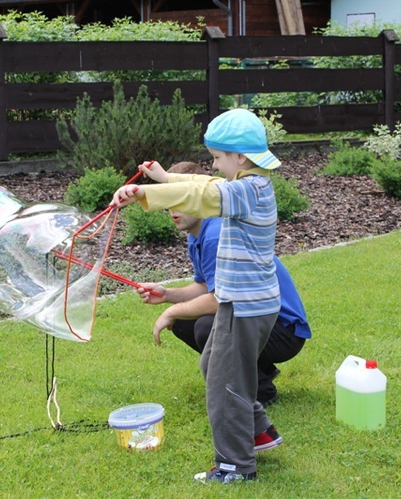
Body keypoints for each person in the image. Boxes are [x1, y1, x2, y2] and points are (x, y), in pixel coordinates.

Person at [111, 108, 287, 484]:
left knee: (225, 385)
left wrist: (148, 191)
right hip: (244, 301)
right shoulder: (251, 184)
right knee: (216, 367)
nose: (213, 164)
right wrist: (164, 177)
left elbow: (203, 192)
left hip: (244, 305)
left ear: (239, 158)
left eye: (218, 157)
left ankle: (234, 467)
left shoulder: (244, 191)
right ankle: (259, 432)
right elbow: (205, 183)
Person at [136, 161, 311, 409]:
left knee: (207, 325)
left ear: (200, 200)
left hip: (282, 330)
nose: (173, 211)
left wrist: (170, 310)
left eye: (181, 201)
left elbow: (220, 299)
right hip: (259, 321)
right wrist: (167, 295)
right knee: (186, 324)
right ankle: (259, 372)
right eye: (169, 203)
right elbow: (206, 286)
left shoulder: (216, 233)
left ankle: (261, 392)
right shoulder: (197, 233)